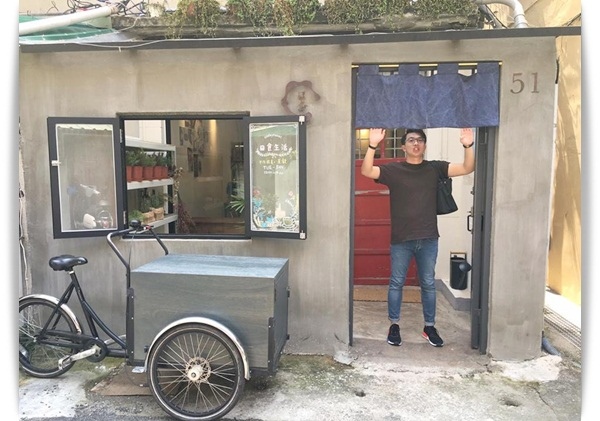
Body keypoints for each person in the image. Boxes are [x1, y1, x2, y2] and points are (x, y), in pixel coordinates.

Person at [360, 128, 475, 347]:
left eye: (420, 140)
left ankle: (429, 327)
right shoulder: (394, 170)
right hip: (401, 239)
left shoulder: (435, 168)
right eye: (411, 140)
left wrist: (468, 145)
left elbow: (467, 167)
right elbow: (366, 171)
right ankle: (394, 325)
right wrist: (373, 145)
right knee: (396, 283)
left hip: (429, 238)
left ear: (424, 145)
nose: (416, 143)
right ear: (403, 146)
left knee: (428, 284)